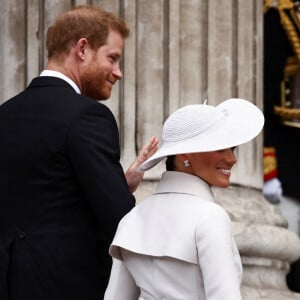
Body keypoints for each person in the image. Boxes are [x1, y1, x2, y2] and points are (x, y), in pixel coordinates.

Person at [0, 5, 158, 300]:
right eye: (112, 58)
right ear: (82, 48)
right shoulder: (87, 117)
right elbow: (120, 221)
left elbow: (45, 200)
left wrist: (117, 184)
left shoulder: (5, 115)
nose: (118, 73)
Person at [104, 98, 265, 300]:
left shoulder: (132, 219)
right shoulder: (210, 217)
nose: (232, 159)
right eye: (220, 148)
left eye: (232, 149)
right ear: (185, 155)